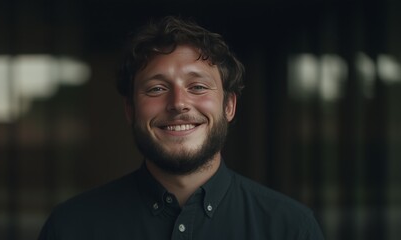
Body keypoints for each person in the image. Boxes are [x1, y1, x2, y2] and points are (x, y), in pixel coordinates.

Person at [38, 16, 324, 240]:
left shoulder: (291, 228)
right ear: (130, 110)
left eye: (197, 86)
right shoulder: (70, 228)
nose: (178, 103)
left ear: (229, 107)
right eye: (157, 88)